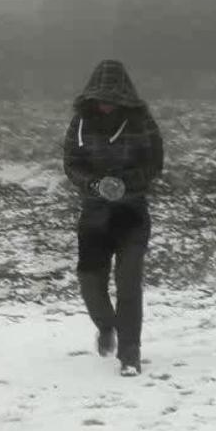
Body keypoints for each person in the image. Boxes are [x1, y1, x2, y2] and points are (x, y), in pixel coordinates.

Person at [63, 59, 164, 377]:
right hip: (95, 214)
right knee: (90, 280)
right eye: (101, 98)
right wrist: (94, 184)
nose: (106, 104)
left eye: (112, 98)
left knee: (129, 281)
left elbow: (155, 161)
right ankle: (106, 326)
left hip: (131, 213)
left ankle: (130, 354)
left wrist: (127, 184)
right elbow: (71, 163)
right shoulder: (80, 122)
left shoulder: (141, 121)